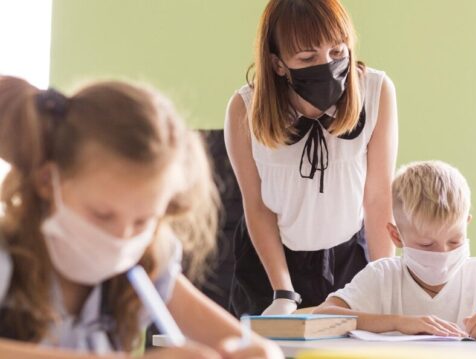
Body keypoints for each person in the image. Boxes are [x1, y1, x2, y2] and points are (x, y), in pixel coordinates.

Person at [0, 76, 282, 358]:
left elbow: (249, 347)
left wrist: (259, 352)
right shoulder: (7, 257)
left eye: (144, 220)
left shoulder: (145, 261)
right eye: (102, 215)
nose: (122, 238)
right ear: (48, 182)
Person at [224, 0, 398, 317]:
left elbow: (377, 197)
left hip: (349, 256)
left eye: (337, 52)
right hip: (272, 263)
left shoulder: (376, 91)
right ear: (278, 64)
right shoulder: (244, 109)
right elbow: (256, 205)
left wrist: (384, 280)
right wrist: (283, 291)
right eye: (307, 57)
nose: (327, 64)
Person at [314, 160, 476, 339]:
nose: (443, 253)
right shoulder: (383, 277)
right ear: (396, 235)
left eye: (455, 241)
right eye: (426, 244)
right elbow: (322, 316)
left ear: (466, 224)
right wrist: (399, 323)